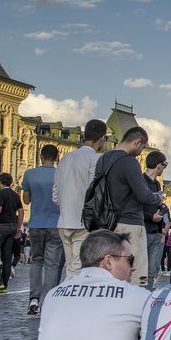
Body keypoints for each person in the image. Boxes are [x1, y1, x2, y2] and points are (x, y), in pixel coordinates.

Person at [95, 127, 163, 287]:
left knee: (111, 273)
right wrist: (157, 197)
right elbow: (143, 195)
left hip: (108, 223)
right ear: (137, 142)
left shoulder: (102, 160)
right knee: (136, 274)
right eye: (142, 147)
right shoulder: (129, 162)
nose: (141, 152)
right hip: (131, 223)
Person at [54, 118, 108, 279]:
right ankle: (70, 301)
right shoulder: (95, 159)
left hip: (63, 221)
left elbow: (55, 195)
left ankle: (65, 298)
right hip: (82, 222)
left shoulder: (65, 159)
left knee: (70, 266)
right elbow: (95, 191)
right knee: (78, 269)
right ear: (102, 138)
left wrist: (67, 205)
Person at [23, 144, 63, 314]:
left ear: (41, 156)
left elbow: (26, 200)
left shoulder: (30, 174)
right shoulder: (60, 175)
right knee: (53, 265)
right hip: (55, 224)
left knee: (36, 261)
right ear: (56, 157)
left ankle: (34, 298)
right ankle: (48, 301)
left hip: (35, 224)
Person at [0, 172, 24, 292]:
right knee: (7, 256)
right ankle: (4, 284)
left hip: (0, 226)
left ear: (0, 182)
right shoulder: (15, 195)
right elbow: (21, 211)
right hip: (12, 227)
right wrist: (18, 226)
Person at [141, 151, 168, 291]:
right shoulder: (140, 181)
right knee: (140, 270)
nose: (164, 169)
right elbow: (136, 208)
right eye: (164, 165)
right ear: (158, 165)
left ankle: (147, 297)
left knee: (151, 272)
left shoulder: (157, 184)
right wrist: (151, 217)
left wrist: (162, 230)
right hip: (143, 231)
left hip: (156, 232)